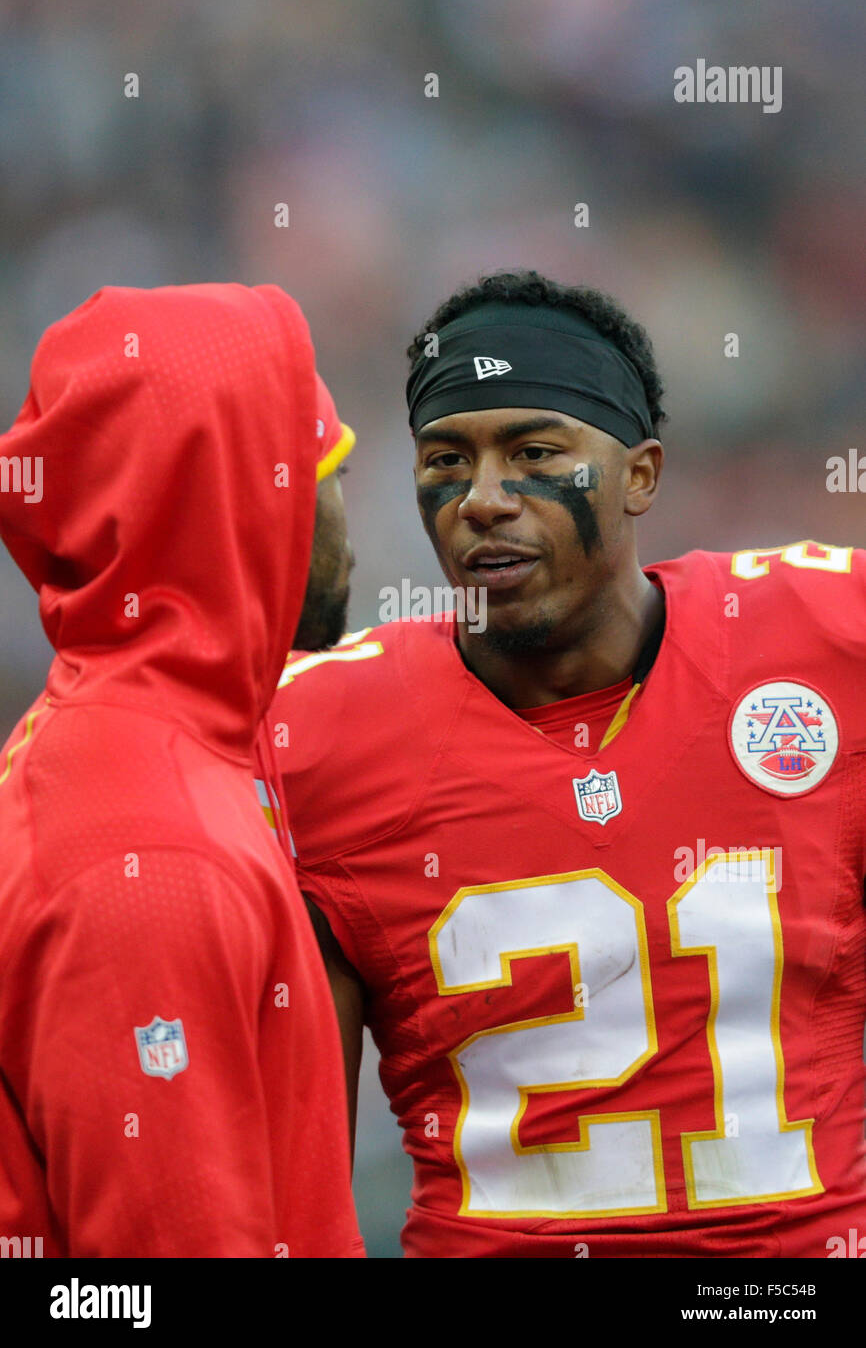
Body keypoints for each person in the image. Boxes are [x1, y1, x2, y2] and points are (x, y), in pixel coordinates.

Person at [260, 269, 866, 1258]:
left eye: (533, 452)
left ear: (639, 474)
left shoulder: (823, 642)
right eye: (445, 458)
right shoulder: (313, 735)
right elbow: (295, 1177)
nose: (482, 500)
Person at [0, 283, 363, 1257]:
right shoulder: (154, 847)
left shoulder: (148, 744)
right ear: (238, 489)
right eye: (322, 461)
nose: (346, 508)